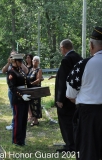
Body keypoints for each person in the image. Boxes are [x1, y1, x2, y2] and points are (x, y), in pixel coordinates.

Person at [66, 26, 102, 160]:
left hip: (89, 116)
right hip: (89, 113)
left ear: (91, 45)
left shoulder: (83, 65)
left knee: (87, 152)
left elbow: (70, 94)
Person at [49, 39, 82, 152]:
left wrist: (59, 99)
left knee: (66, 121)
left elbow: (63, 80)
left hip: (67, 98)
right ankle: (75, 143)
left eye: (60, 48)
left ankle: (70, 145)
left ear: (63, 48)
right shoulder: (78, 57)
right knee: (74, 121)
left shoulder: (66, 59)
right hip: (77, 96)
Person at [7, 53, 31, 146]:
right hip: (18, 98)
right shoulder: (11, 72)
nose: (21, 63)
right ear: (14, 61)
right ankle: (16, 140)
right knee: (18, 120)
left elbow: (27, 83)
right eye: (19, 61)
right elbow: (12, 87)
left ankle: (22, 139)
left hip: (25, 98)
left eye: (22, 61)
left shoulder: (20, 71)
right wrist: (21, 95)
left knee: (24, 119)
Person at [2, 51, 28, 131]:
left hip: (22, 91)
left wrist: (20, 62)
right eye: (12, 56)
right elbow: (3, 71)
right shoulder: (10, 68)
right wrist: (8, 63)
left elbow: (26, 71)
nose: (13, 57)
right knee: (14, 108)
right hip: (13, 90)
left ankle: (18, 124)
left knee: (20, 110)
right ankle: (14, 124)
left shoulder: (19, 67)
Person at [27, 56, 43, 126]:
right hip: (30, 89)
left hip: (36, 90)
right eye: (34, 60)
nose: (35, 62)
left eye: (36, 61)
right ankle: (32, 118)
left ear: (38, 62)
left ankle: (36, 120)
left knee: (36, 104)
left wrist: (31, 84)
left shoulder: (39, 70)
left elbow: (38, 79)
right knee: (30, 104)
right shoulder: (31, 69)